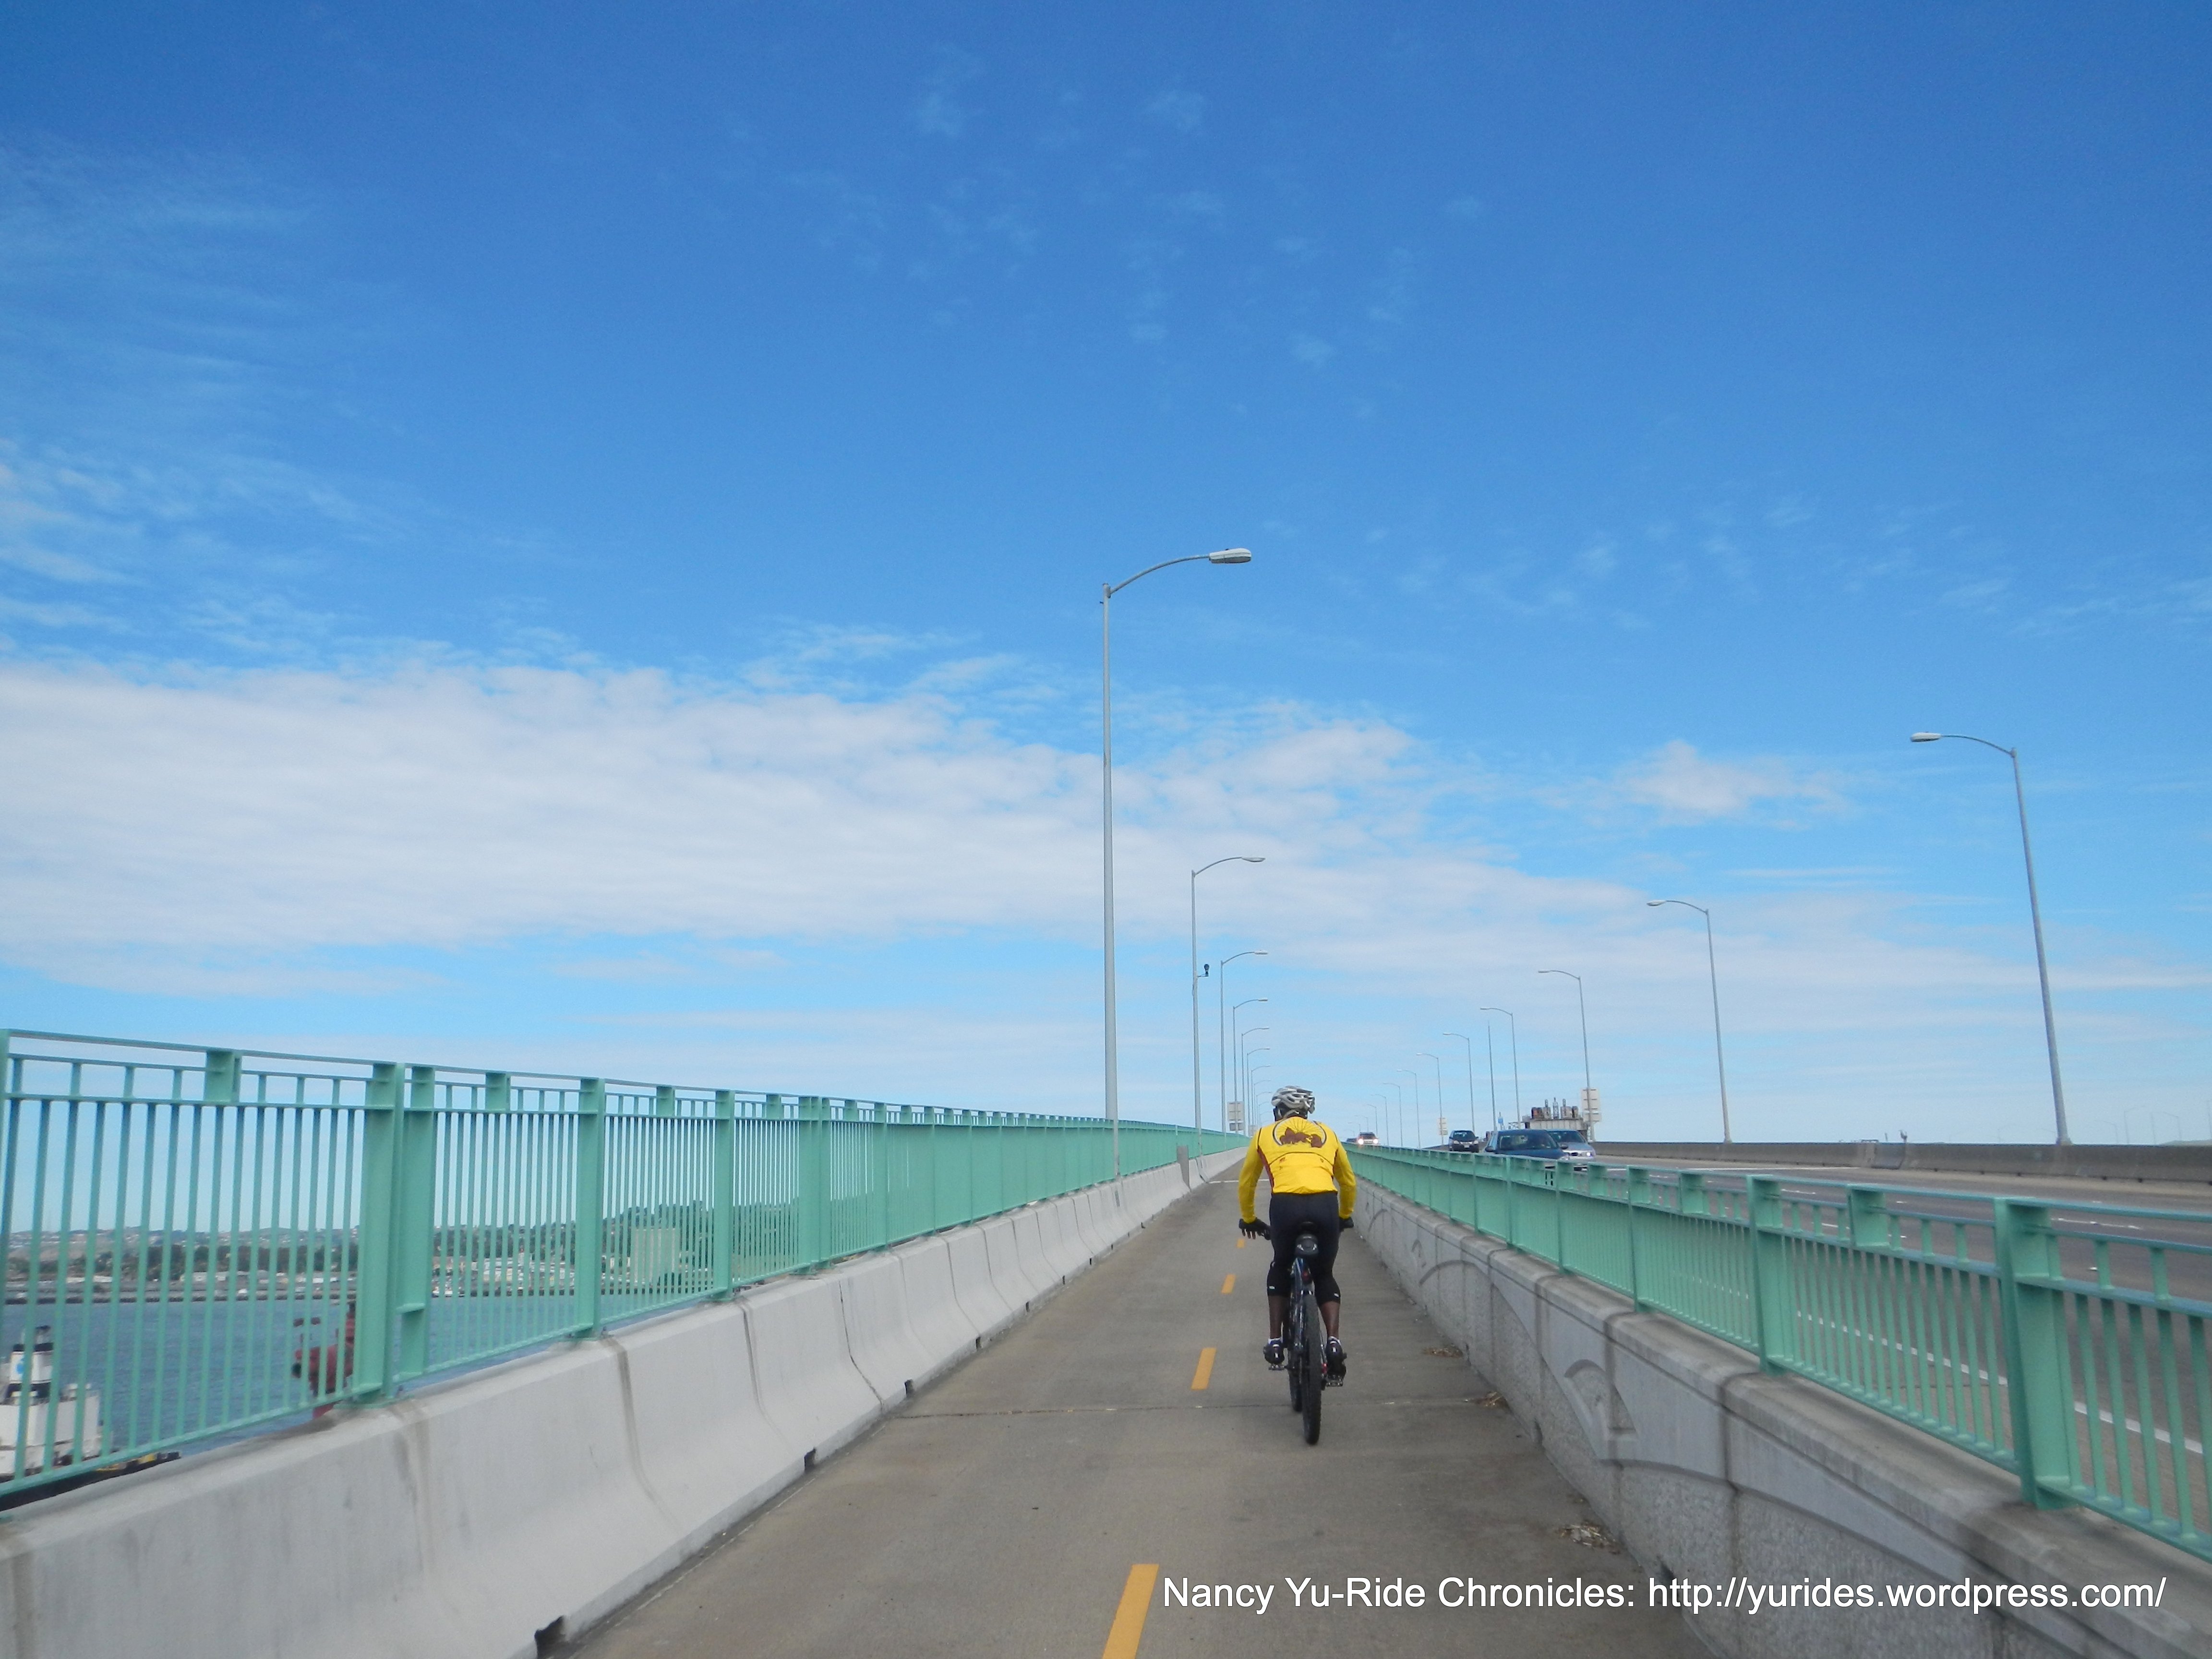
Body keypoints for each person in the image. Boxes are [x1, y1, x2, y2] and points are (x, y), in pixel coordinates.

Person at [1236, 1084, 1355, 1379]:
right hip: (1325, 1204)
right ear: (1306, 1113)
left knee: (1280, 1266)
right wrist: (1344, 1216)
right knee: (1324, 1274)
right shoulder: (1328, 1133)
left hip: (1286, 1206)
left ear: (1279, 1111)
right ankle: (1334, 1342)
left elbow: (1247, 1182)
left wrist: (1249, 1219)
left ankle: (1276, 1341)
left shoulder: (1265, 1135)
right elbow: (1348, 1182)